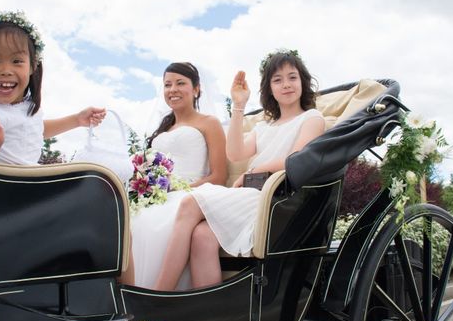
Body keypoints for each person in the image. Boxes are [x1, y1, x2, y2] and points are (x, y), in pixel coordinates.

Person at [153, 50, 325, 291]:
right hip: (252, 194)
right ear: (270, 89)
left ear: (303, 82)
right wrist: (238, 106)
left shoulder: (312, 118)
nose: (286, 85)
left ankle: (159, 294)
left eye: (292, 77)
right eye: (277, 80)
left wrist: (252, 172)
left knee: (189, 203)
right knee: (202, 236)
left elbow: (296, 158)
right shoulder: (265, 127)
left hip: (275, 196)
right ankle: (208, 313)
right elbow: (234, 153)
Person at [0, 10, 106, 165]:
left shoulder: (24, 104)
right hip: (12, 186)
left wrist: (77, 120)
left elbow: (34, 130)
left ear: (32, 66)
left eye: (17, 61)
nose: (6, 70)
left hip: (30, 181)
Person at [130, 62, 227, 288]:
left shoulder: (209, 123)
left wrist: (177, 189)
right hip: (159, 195)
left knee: (154, 222)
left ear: (196, 89)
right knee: (129, 220)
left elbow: (219, 176)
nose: (172, 89)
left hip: (192, 193)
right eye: (167, 85)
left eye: (180, 83)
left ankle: (158, 293)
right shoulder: (163, 129)